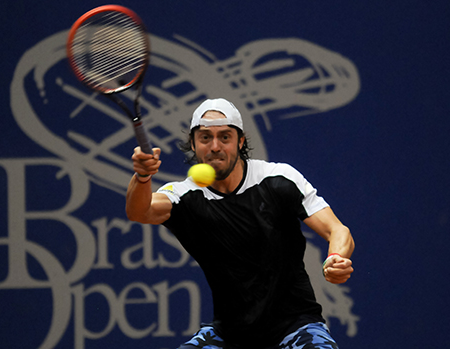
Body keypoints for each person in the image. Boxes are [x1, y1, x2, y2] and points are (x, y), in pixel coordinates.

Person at [126, 98, 355, 349]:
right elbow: (140, 211)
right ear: (193, 143)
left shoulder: (278, 179)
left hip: (297, 327)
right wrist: (143, 176)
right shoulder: (183, 196)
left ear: (241, 141)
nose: (215, 146)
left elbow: (337, 230)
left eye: (225, 137)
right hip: (230, 334)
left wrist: (336, 258)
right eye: (205, 138)